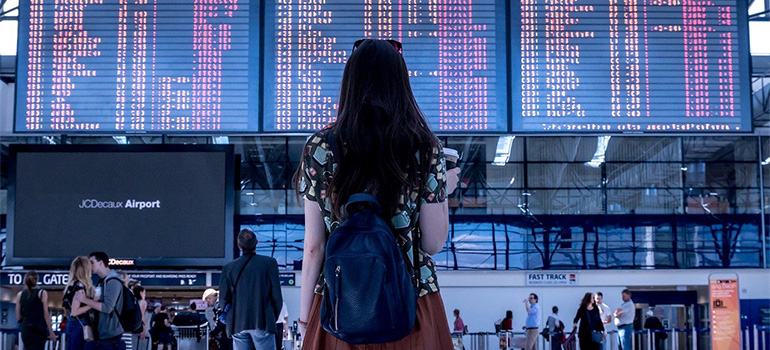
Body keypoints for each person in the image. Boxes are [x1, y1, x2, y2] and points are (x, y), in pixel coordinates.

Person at [294, 39, 461, 350]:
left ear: (350, 83)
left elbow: (315, 247)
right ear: (401, 84)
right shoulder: (426, 148)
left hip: (340, 303)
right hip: (410, 303)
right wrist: (444, 191)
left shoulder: (320, 147)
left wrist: (305, 320)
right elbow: (432, 243)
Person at [219, 228, 283, 350]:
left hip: (237, 323)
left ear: (239, 246)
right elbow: (277, 296)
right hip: (262, 320)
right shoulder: (269, 263)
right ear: (256, 242)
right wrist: (271, 317)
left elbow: (223, 299)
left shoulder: (228, 268)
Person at [74, 252, 126, 350]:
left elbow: (107, 308)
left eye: (92, 262)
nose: (89, 265)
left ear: (100, 263)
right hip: (103, 334)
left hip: (110, 335)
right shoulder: (103, 282)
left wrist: (84, 300)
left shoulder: (113, 281)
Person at [15, 271, 57, 350]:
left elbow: (18, 317)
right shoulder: (42, 293)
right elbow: (46, 314)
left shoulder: (20, 295)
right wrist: (51, 332)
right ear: (37, 280)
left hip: (26, 330)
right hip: (38, 329)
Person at [62, 256, 95, 350]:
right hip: (79, 325)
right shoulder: (80, 287)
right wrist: (92, 303)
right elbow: (75, 311)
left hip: (72, 324)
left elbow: (67, 311)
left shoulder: (71, 286)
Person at [132, 285, 149, 350]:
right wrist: (144, 329)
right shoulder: (143, 302)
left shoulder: (134, 301)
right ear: (141, 293)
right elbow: (142, 315)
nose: (145, 295)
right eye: (144, 293)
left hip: (133, 326)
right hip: (139, 327)